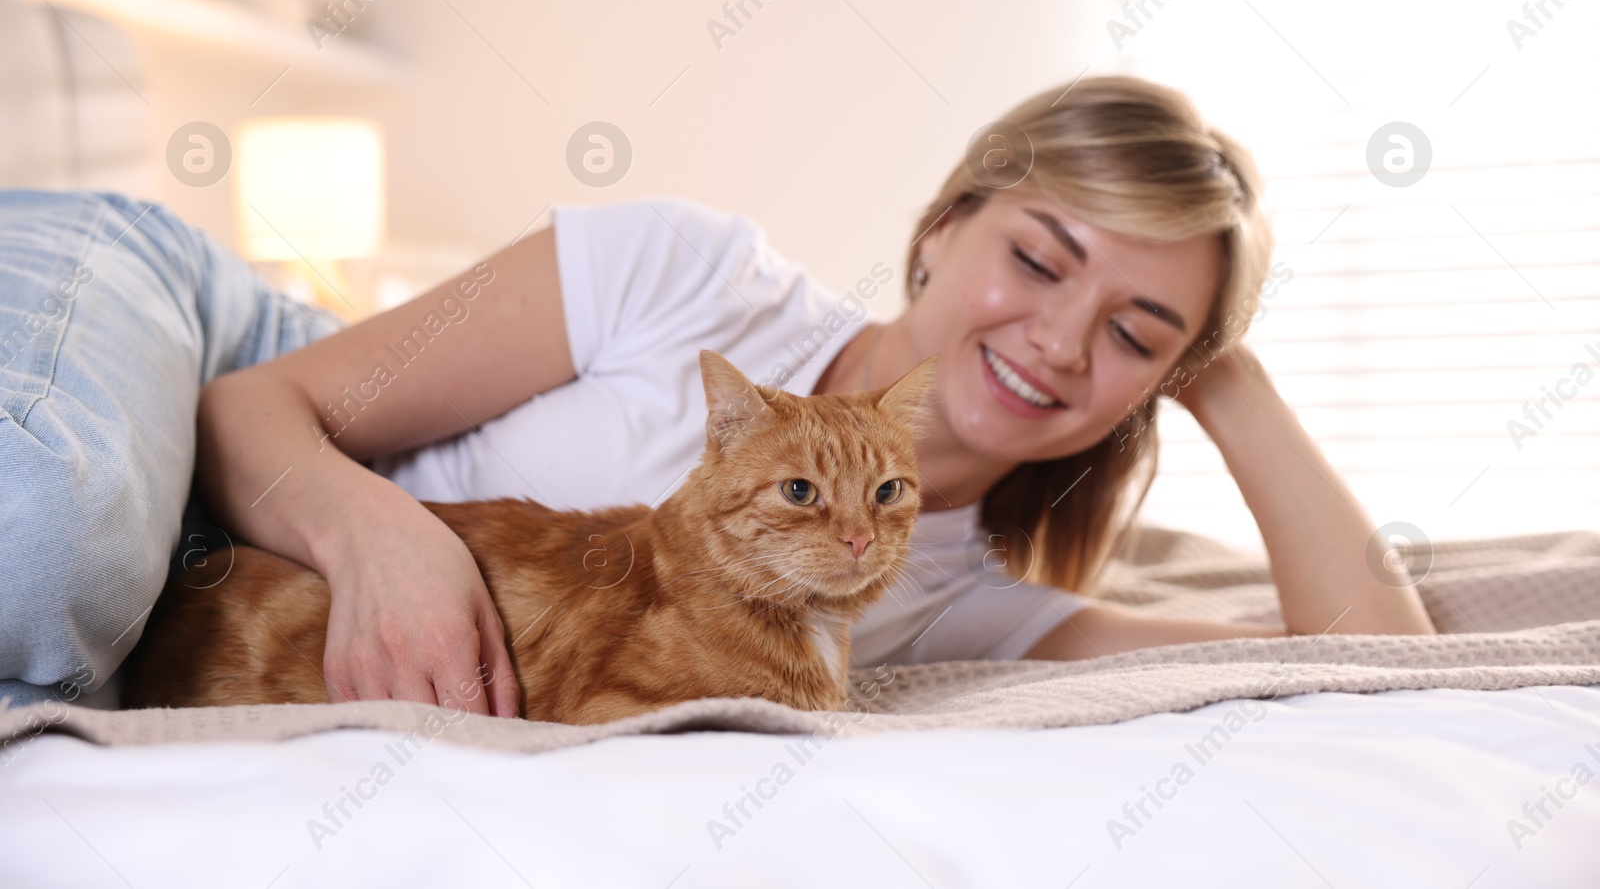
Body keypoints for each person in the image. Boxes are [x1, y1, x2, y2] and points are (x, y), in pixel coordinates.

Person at [0, 75, 1434, 716]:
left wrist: (1226, 379)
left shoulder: (963, 599)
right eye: (1040, 260)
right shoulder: (698, 278)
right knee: (42, 536)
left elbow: (1378, 669)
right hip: (199, 339)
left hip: (210, 575)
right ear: (944, 229)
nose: (1063, 342)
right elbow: (262, 406)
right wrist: (388, 542)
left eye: (1135, 334)